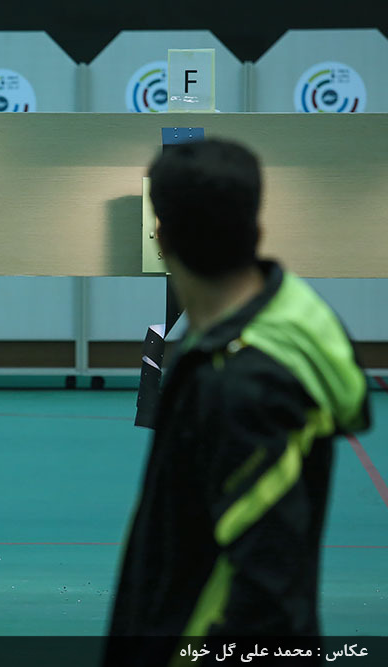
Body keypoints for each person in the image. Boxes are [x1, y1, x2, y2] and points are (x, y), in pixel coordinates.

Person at [104, 140, 369, 664]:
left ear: (161, 235)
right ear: (257, 230)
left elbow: (265, 594)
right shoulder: (265, 331)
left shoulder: (242, 383)